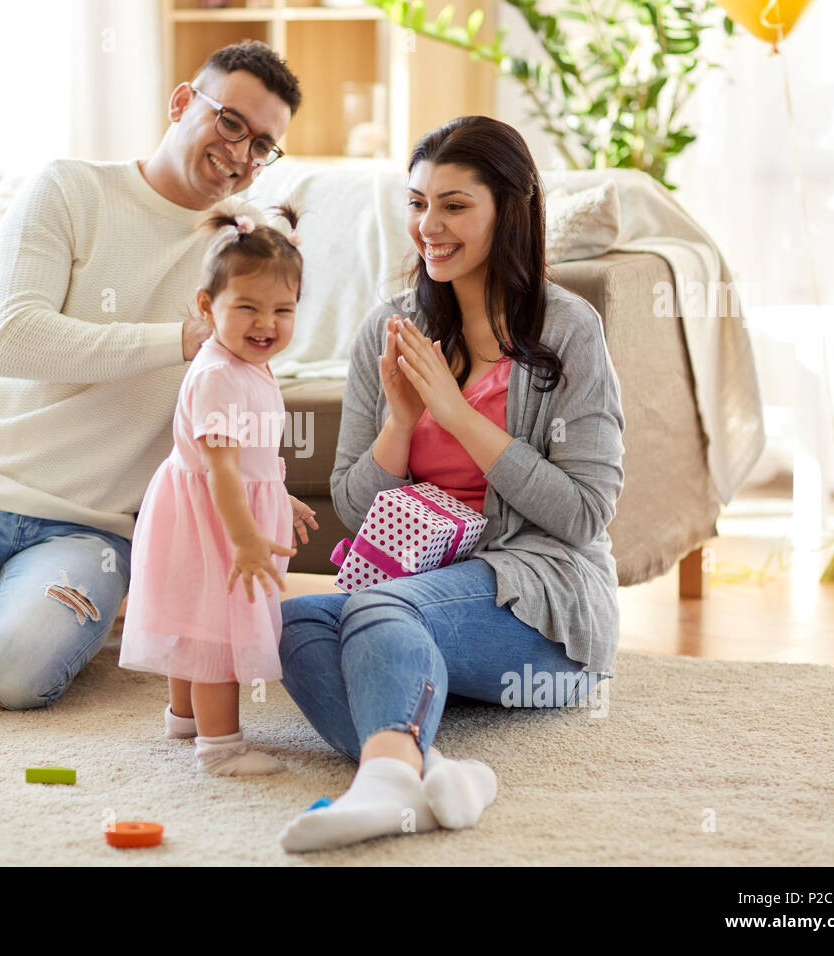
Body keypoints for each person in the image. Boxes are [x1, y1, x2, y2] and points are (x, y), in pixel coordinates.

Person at [0, 41, 302, 713]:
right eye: (230, 123)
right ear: (182, 103)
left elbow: (241, 392)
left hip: (91, 530)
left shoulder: (242, 248)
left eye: (262, 144)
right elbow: (14, 341)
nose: (241, 154)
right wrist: (178, 338)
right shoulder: (70, 188)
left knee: (17, 676)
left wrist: (269, 484)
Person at [276, 115, 626, 852]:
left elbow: (584, 513)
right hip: (416, 594)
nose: (427, 225)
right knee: (297, 625)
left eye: (454, 205)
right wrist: (400, 426)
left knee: (371, 612)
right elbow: (352, 506)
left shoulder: (569, 330)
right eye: (416, 202)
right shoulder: (389, 330)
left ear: (510, 208)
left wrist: (457, 413)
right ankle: (431, 771)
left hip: (538, 598)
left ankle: (380, 786)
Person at [119, 201, 319, 776]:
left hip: (209, 509)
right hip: (213, 517)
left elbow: (251, 456)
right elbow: (223, 471)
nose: (266, 324)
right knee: (215, 632)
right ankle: (220, 747)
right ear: (208, 307)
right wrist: (247, 539)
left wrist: (278, 496)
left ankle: (184, 717)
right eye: (247, 308)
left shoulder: (247, 366)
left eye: (282, 310)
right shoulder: (216, 376)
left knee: (194, 617)